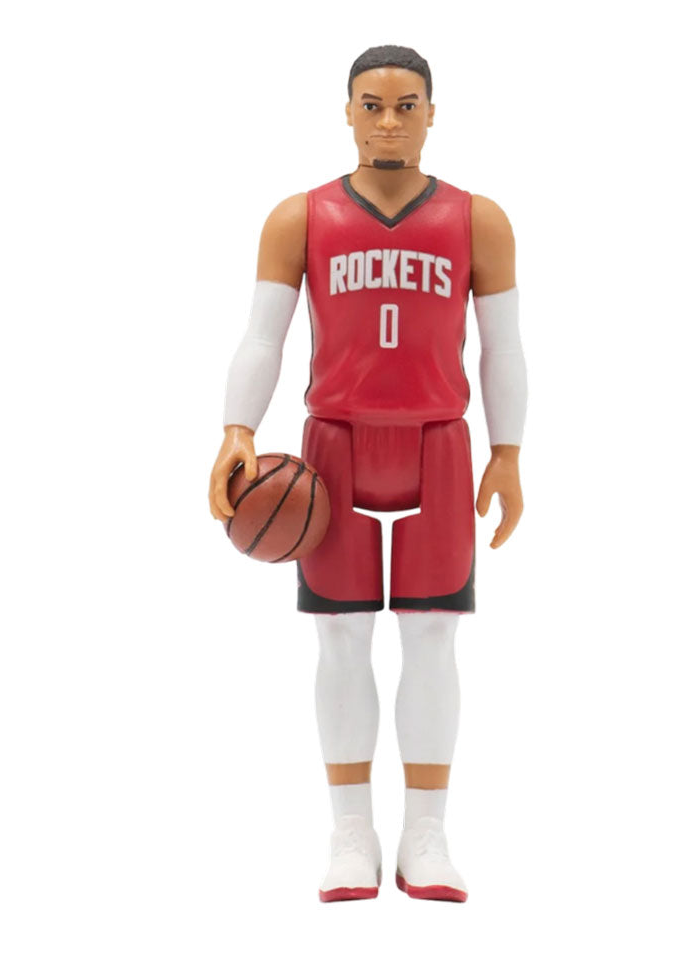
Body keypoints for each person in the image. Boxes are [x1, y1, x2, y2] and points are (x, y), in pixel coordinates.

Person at [208, 45, 526, 902]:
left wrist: (507, 451)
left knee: (433, 634)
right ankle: (351, 831)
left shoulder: (479, 219)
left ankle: (426, 832)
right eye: (373, 105)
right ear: (347, 112)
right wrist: (237, 428)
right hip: (336, 442)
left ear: (432, 113)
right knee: (340, 635)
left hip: (438, 439)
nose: (389, 121)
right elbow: (263, 336)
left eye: (406, 105)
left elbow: (503, 347)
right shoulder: (300, 217)